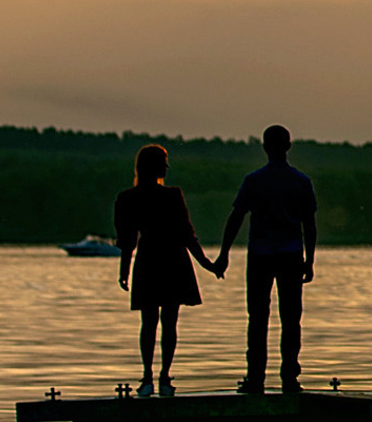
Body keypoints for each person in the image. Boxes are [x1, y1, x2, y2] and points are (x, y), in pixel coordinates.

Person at [214, 123, 317, 393]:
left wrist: (224, 253)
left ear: (264, 147)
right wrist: (310, 260)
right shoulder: (301, 182)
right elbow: (310, 225)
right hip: (291, 255)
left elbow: (235, 218)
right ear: (289, 146)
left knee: (258, 317)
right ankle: (289, 378)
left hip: (260, 255)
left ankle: (256, 377)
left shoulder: (254, 180)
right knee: (291, 318)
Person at [113, 142, 208, 395]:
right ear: (152, 166)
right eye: (163, 162)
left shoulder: (128, 198)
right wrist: (206, 263)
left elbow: (127, 241)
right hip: (172, 259)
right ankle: (163, 378)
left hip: (149, 260)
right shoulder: (172, 195)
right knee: (169, 321)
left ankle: (149, 378)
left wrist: (124, 271)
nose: (167, 167)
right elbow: (188, 235)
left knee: (149, 322)